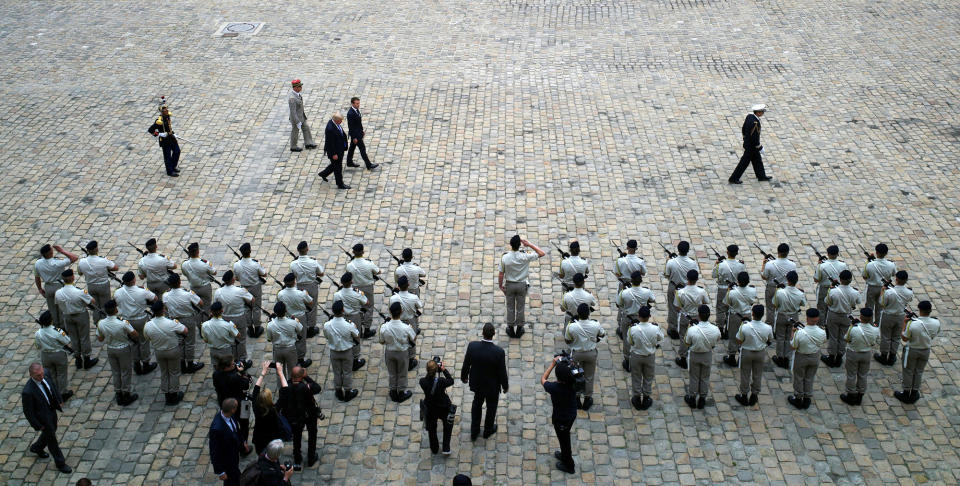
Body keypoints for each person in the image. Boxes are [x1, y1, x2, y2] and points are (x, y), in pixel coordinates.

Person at [461, 322, 508, 441]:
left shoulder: (472, 346)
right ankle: (488, 430)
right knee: (491, 408)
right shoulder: (499, 352)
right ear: (493, 334)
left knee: (476, 405)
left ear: (482, 333)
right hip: (492, 386)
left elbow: (466, 364)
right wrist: (505, 386)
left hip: (477, 384)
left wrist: (464, 376)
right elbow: (502, 372)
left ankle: (474, 430)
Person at [22, 363, 72, 473]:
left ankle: (37, 447)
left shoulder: (46, 374)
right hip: (42, 418)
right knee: (52, 440)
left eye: (42, 374)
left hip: (51, 410)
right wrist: (38, 425)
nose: (41, 377)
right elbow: (28, 412)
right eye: (38, 376)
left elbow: (52, 387)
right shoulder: (28, 392)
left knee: (53, 429)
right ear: (31, 375)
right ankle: (60, 463)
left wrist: (59, 400)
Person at [498, 235, 545, 338]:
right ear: (520, 245)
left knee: (510, 307)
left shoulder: (505, 257)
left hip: (510, 284)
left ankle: (510, 328)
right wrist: (529, 244)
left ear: (510, 245)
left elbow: (501, 273)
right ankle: (519, 328)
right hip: (521, 285)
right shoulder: (525, 256)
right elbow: (541, 253)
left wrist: (500, 286)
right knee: (520, 307)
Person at [143, 301, 188, 405]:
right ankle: (174, 394)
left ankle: (166, 393)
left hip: (159, 351)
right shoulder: (171, 323)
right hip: (172, 350)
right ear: (163, 310)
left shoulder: (148, 325)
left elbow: (147, 338)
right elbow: (185, 331)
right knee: (174, 372)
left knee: (164, 372)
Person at [896, 300, 941, 404]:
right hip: (925, 350)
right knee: (919, 371)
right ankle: (915, 391)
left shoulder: (913, 324)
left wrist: (904, 323)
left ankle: (906, 392)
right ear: (930, 310)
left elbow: (904, 338)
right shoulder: (936, 322)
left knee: (908, 371)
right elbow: (935, 334)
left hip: (912, 350)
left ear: (919, 310)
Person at [113, 271, 158, 375]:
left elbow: (115, 302)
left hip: (127, 320)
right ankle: (146, 363)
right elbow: (154, 298)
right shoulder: (142, 291)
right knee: (144, 341)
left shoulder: (118, 292)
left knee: (133, 342)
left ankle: (136, 364)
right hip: (140, 319)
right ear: (134, 280)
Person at [96, 300, 139, 406]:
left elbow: (100, 339)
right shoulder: (122, 322)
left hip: (111, 348)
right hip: (123, 348)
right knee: (125, 372)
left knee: (116, 372)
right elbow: (135, 334)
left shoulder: (101, 323)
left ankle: (118, 392)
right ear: (115, 309)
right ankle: (126, 393)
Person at [540, 355, 578, 474]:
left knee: (564, 441)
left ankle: (569, 465)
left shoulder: (555, 388)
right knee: (564, 438)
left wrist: (553, 364)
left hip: (561, 418)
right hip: (570, 414)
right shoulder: (574, 383)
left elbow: (543, 379)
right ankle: (564, 455)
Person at [564, 303, 605, 410]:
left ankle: (576, 397)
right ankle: (587, 398)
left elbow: (567, 340)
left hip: (577, 354)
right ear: (588, 314)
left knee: (576, 375)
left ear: (578, 313)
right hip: (591, 353)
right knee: (589, 376)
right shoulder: (595, 324)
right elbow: (602, 334)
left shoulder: (572, 326)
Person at [55, 269, 98, 370]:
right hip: (80, 315)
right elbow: (92, 301)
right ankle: (87, 359)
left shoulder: (58, 293)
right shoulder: (79, 292)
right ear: (72, 278)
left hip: (67, 316)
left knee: (73, 337)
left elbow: (57, 303)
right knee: (84, 337)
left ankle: (78, 358)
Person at [281, 366, 323, 470]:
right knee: (312, 434)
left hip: (294, 417)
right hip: (309, 415)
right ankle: (311, 458)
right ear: (301, 376)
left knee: (296, 437)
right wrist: (307, 377)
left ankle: (297, 458)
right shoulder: (305, 387)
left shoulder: (287, 386)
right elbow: (317, 388)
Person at [162, 273, 205, 374]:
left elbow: (165, 308)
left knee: (180, 342)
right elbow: (201, 303)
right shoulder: (188, 293)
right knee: (189, 342)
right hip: (187, 319)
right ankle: (190, 364)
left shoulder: (165, 295)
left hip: (174, 321)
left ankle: (181, 364)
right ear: (179, 282)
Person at [324, 300, 362, 402]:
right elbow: (357, 335)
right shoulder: (349, 325)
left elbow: (326, 336)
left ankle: (338, 391)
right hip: (346, 352)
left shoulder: (327, 325)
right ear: (343, 310)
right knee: (347, 372)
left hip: (334, 351)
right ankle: (348, 391)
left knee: (337, 372)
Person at [734, 305, 773, 406]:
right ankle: (754, 395)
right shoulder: (768, 328)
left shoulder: (745, 326)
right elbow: (770, 340)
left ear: (752, 314)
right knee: (757, 374)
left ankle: (744, 395)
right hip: (760, 353)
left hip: (747, 352)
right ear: (762, 315)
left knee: (745, 374)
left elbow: (738, 340)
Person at [684, 305, 721, 409]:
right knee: (705, 377)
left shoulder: (692, 329)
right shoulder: (715, 329)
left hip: (695, 355)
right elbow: (718, 339)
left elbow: (687, 343)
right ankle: (702, 399)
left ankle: (692, 397)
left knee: (694, 377)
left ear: (698, 315)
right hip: (707, 354)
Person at [788, 308, 827, 409]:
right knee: (809, 377)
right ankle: (807, 397)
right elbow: (823, 342)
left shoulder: (800, 333)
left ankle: (798, 397)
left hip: (801, 357)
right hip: (815, 356)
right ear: (817, 319)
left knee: (799, 377)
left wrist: (793, 332)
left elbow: (793, 346)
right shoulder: (822, 332)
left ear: (807, 318)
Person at [626, 306, 663, 410]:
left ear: (639, 316)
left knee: (636, 376)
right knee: (648, 377)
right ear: (649, 316)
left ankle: (637, 397)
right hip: (649, 356)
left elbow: (630, 342)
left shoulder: (632, 329)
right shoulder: (655, 328)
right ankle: (646, 396)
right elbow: (661, 338)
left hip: (636, 356)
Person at [841, 308, 880, 406]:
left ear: (861, 316)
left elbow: (846, 338)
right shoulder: (875, 330)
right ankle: (860, 395)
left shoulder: (853, 328)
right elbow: (874, 341)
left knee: (851, 375)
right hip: (866, 354)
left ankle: (850, 395)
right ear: (871, 318)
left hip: (853, 353)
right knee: (863, 375)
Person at [821, 270, 861, 367]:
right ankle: (839, 357)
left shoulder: (834, 291)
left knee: (833, 336)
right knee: (843, 337)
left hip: (833, 315)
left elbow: (827, 302)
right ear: (851, 280)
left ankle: (831, 356)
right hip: (846, 316)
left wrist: (830, 289)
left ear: (840, 279)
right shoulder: (855, 292)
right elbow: (858, 302)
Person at [215, 271, 255, 365]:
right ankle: (242, 359)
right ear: (232, 279)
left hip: (225, 318)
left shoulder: (218, 291)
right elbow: (252, 300)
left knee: (230, 339)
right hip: (239, 317)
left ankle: (233, 358)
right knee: (241, 339)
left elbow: (216, 304)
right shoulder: (240, 290)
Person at [34, 244, 79, 329]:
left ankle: (55, 326)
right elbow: (74, 258)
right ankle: (64, 327)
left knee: (52, 309)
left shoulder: (37, 263)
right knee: (62, 308)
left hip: (48, 287)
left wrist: (40, 289)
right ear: (50, 252)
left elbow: (37, 277)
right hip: (59, 286)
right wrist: (62, 251)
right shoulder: (57, 263)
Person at [616, 271, 655, 369]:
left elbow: (618, 304)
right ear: (641, 280)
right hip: (641, 319)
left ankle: (627, 359)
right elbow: (652, 299)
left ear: (631, 281)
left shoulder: (624, 292)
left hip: (627, 318)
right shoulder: (646, 292)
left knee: (626, 338)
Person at [380, 302, 418, 401]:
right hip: (402, 352)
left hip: (390, 352)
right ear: (401, 312)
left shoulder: (384, 327)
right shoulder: (406, 327)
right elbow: (414, 337)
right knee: (402, 372)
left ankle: (393, 390)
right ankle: (401, 392)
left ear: (390, 312)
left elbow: (382, 341)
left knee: (392, 372)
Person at [34, 310, 74, 402]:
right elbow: (67, 340)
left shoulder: (38, 333)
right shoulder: (57, 331)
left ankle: (53, 392)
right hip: (58, 354)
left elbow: (37, 346)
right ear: (51, 321)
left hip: (45, 355)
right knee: (61, 374)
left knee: (50, 375)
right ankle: (63, 393)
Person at [213, 356, 253, 446]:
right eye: (232, 364)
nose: (235, 365)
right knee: (244, 424)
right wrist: (242, 372)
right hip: (241, 403)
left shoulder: (216, 374)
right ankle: (244, 445)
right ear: (226, 367)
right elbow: (246, 385)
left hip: (225, 402)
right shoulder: (234, 377)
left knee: (231, 422)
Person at [661, 241, 698, 339]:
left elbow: (666, 274)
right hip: (687, 287)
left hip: (674, 287)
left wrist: (667, 261)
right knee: (686, 308)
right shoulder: (692, 262)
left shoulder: (671, 262)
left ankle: (673, 328)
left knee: (673, 308)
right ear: (688, 250)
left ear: (678, 250)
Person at [673, 269, 709, 369]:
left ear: (687, 278)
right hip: (698, 317)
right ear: (697, 279)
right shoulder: (701, 291)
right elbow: (706, 302)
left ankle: (683, 358)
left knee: (683, 337)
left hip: (685, 317)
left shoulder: (680, 292)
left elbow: (676, 306)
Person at [876, 270, 913, 366]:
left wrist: (882, 291)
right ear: (906, 280)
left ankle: (884, 356)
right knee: (896, 337)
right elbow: (909, 300)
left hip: (888, 315)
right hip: (900, 316)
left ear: (896, 279)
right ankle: (892, 356)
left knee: (886, 337)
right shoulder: (909, 292)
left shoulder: (889, 292)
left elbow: (882, 303)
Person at [251, 361, 289, 455]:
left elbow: (255, 389)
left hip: (259, 438)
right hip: (272, 439)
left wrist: (263, 373)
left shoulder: (256, 407)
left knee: (261, 456)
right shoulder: (274, 409)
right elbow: (285, 391)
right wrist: (280, 372)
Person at [77, 240, 118, 322]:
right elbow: (115, 268)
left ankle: (97, 321)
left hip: (91, 285)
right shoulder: (103, 260)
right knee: (105, 305)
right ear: (96, 249)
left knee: (95, 306)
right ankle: (105, 321)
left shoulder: (82, 262)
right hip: (103, 285)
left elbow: (80, 273)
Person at [728, 104, 771, 183]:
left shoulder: (749, 117)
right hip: (752, 147)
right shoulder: (755, 123)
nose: (763, 113)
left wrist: (745, 138)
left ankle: (761, 176)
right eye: (762, 112)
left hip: (748, 144)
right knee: (744, 163)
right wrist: (760, 147)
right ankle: (733, 178)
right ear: (758, 113)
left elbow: (743, 129)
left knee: (757, 160)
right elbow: (755, 137)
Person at [278, 273, 314, 367]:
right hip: (300, 317)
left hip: (288, 317)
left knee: (291, 337)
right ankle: (300, 359)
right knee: (301, 338)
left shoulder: (281, 294)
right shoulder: (301, 293)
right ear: (294, 282)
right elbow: (310, 302)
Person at [420, 358, 455, 455]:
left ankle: (434, 448)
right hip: (443, 407)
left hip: (431, 408)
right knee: (447, 426)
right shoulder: (441, 381)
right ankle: (446, 448)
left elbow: (429, 380)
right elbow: (451, 381)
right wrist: (443, 370)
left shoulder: (422, 382)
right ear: (436, 370)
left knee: (432, 429)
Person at [209, 398, 248, 486]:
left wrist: (242, 442)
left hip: (234, 456)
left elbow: (236, 430)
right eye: (236, 407)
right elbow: (214, 452)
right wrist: (220, 472)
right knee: (232, 481)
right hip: (227, 461)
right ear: (232, 410)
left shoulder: (230, 415)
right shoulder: (216, 429)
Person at [771, 270, 805, 368]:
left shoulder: (780, 292)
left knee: (780, 337)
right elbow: (803, 303)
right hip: (793, 316)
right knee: (790, 336)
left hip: (782, 315)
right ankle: (787, 357)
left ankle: (780, 357)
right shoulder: (800, 293)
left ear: (787, 280)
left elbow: (774, 304)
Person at [290, 241, 324, 337]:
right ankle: (311, 328)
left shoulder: (293, 264)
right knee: (312, 307)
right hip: (311, 286)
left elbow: (292, 276)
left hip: (300, 286)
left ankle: (302, 326)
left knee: (302, 306)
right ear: (307, 249)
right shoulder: (313, 262)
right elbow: (321, 273)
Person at [722, 271, 756, 366]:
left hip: (735, 316)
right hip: (747, 315)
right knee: (745, 336)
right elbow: (752, 302)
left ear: (738, 281)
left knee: (733, 336)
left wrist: (729, 290)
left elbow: (726, 303)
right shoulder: (752, 290)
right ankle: (744, 355)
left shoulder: (732, 293)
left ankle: (732, 356)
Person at [346, 243, 380, 337]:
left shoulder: (350, 265)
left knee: (358, 307)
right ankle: (367, 329)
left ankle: (359, 327)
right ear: (363, 252)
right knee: (369, 307)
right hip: (367, 287)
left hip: (355, 288)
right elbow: (378, 271)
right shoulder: (368, 263)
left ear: (353, 252)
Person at [711, 245, 745, 339]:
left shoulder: (721, 264)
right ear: (737, 253)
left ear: (727, 252)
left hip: (723, 288)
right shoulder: (741, 264)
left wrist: (716, 263)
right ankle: (729, 328)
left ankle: (720, 328)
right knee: (732, 309)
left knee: (721, 309)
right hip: (735, 289)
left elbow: (714, 275)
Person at [389, 275, 424, 365]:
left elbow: (391, 308)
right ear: (408, 284)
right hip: (410, 320)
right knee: (411, 338)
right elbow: (419, 305)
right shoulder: (413, 297)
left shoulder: (393, 298)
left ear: (398, 286)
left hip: (399, 320)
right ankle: (411, 358)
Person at [234, 242, 267, 338]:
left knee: (247, 308)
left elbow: (236, 278)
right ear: (250, 251)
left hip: (244, 288)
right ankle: (257, 327)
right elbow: (264, 274)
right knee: (256, 307)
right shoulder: (255, 263)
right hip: (255, 287)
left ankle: (250, 328)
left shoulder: (236, 265)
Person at [760, 243, 797, 328]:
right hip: (785, 289)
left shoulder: (769, 264)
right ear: (787, 253)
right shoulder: (792, 265)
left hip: (772, 288)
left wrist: (763, 265)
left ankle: (770, 326)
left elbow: (764, 276)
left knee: (770, 308)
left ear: (778, 252)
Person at [267, 302, 303, 380]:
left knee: (280, 372)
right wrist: (296, 320)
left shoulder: (270, 325)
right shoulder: (292, 322)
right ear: (285, 310)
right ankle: (291, 387)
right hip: (290, 349)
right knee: (292, 370)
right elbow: (300, 329)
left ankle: (282, 390)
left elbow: (269, 339)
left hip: (277, 350)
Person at [862, 243, 897, 320]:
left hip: (872, 288)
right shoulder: (891, 264)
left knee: (869, 307)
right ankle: (878, 323)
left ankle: (869, 322)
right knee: (880, 308)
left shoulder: (870, 264)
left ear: (876, 252)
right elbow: (894, 274)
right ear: (886, 253)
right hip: (884, 288)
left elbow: (864, 276)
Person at [202, 302, 242, 368]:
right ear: (222, 311)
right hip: (226, 350)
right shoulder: (228, 324)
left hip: (213, 350)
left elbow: (205, 340)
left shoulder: (204, 325)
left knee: (216, 367)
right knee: (228, 367)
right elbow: (238, 335)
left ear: (211, 312)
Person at [181, 242, 218, 314]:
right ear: (198, 251)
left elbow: (185, 274)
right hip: (205, 287)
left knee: (196, 307)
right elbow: (214, 272)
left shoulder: (184, 264)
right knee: (207, 306)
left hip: (193, 287)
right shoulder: (204, 263)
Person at [147, 104, 181, 176]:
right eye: (165, 110)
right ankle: (170, 171)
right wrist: (159, 134)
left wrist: (173, 133)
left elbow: (169, 127)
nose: (167, 111)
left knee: (177, 151)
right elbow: (150, 130)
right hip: (165, 140)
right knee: (167, 156)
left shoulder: (167, 116)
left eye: (167, 109)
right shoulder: (159, 121)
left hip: (171, 137)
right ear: (162, 112)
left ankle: (173, 166)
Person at [813, 245, 847, 317]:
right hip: (837, 289)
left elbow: (816, 279)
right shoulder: (843, 265)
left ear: (828, 254)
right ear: (838, 254)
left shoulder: (821, 266)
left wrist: (818, 266)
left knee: (821, 309)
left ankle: (821, 325)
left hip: (824, 289)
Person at [318, 112, 350, 189]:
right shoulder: (330, 129)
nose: (341, 122)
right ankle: (340, 184)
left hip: (340, 149)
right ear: (336, 120)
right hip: (335, 152)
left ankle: (323, 173)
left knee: (335, 165)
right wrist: (334, 154)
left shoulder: (335, 123)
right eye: (340, 121)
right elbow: (330, 143)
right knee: (338, 168)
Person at [346, 96, 378, 170]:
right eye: (357, 103)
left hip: (359, 133)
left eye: (359, 103)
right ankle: (368, 165)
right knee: (362, 149)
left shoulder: (356, 110)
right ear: (352, 104)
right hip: (356, 135)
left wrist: (362, 130)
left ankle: (349, 161)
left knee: (352, 147)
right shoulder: (350, 114)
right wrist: (354, 137)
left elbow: (358, 123)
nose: (358, 105)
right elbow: (351, 127)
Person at [288, 79, 317, 152]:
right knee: (295, 131)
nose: (301, 88)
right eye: (299, 86)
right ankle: (293, 146)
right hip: (296, 119)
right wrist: (297, 122)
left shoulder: (297, 94)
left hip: (301, 117)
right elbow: (293, 112)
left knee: (306, 128)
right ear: (295, 88)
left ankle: (308, 142)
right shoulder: (292, 98)